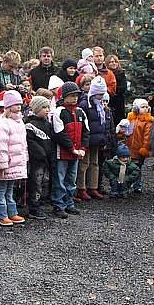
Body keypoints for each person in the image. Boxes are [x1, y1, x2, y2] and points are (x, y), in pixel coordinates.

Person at [50, 82, 88, 218]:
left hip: (76, 153)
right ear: (64, 97)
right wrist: (72, 149)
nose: (75, 98)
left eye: (76, 95)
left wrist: (83, 148)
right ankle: (59, 205)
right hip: (63, 153)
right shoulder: (59, 112)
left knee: (71, 179)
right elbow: (59, 133)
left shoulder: (80, 112)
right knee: (60, 179)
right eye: (72, 96)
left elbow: (86, 132)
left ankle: (69, 203)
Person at [0, 90, 29, 226]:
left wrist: (24, 159)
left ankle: (12, 212)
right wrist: (1, 164)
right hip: (6, 163)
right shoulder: (3, 122)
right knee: (1, 189)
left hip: (16, 163)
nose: (18, 106)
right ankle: (1, 214)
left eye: (20, 104)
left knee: (10, 189)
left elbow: (23, 144)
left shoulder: (19, 122)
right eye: (15, 104)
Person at [77, 76, 111, 201]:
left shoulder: (102, 105)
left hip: (97, 139)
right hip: (87, 139)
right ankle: (81, 188)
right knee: (84, 163)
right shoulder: (85, 104)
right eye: (99, 94)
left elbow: (104, 122)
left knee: (95, 163)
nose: (102, 96)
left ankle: (93, 186)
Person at [24, 95, 54, 220]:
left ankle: (40, 202)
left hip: (46, 159)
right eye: (43, 107)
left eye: (48, 107)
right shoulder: (30, 124)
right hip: (37, 160)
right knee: (36, 183)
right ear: (36, 108)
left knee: (44, 182)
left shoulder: (47, 124)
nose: (47, 110)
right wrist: (42, 154)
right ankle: (33, 207)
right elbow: (31, 143)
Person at [119, 98, 153, 194]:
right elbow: (125, 131)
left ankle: (137, 185)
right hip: (128, 148)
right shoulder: (130, 118)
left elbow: (147, 137)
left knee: (137, 168)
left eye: (147, 107)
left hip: (138, 149)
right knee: (124, 166)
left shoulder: (148, 121)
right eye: (143, 107)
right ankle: (121, 184)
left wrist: (145, 148)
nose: (145, 109)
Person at [106, 54, 127, 124]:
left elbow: (123, 88)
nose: (113, 63)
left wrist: (114, 90)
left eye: (115, 61)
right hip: (109, 100)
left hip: (119, 101)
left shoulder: (121, 73)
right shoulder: (106, 74)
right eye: (111, 62)